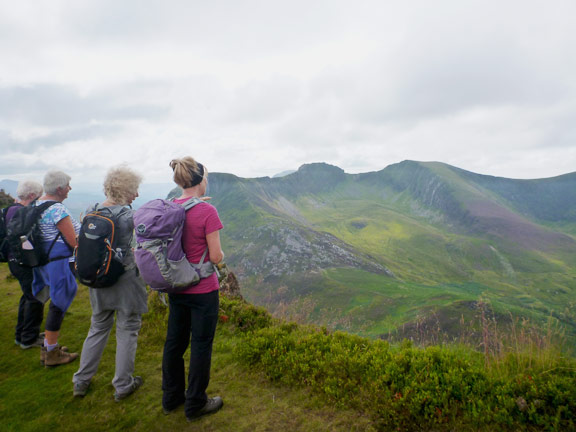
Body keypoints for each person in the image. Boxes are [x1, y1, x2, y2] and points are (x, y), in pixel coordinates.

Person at [72, 165, 148, 401]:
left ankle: (81, 381)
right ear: (125, 190)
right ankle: (123, 384)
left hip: (98, 278)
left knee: (97, 327)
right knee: (127, 329)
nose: (136, 194)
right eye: (134, 190)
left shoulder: (91, 210)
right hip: (125, 279)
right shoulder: (127, 216)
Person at [162, 157, 225, 421]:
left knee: (174, 343)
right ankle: (196, 403)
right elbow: (215, 256)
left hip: (176, 287)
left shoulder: (167, 207)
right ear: (201, 180)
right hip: (202, 291)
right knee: (200, 344)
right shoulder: (207, 212)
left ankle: (171, 398)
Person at [32, 170, 80, 367]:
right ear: (60, 189)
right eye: (68, 185)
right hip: (60, 262)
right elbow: (74, 241)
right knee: (58, 305)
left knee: (54, 302)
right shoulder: (57, 210)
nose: (70, 188)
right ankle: (52, 353)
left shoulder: (37, 205)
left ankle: (47, 347)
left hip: (44, 261)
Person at [6, 180, 45, 349]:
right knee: (36, 297)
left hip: (13, 260)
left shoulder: (10, 209)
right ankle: (28, 338)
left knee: (27, 296)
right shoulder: (23, 213)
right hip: (23, 262)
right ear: (31, 195)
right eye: (37, 196)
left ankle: (20, 334)